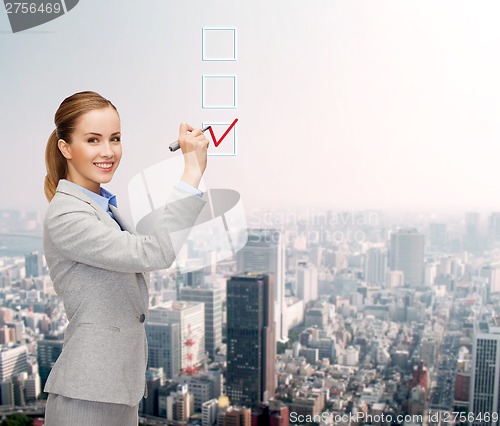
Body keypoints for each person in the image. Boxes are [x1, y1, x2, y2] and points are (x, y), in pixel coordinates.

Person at [42, 91, 209, 425]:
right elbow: (155, 251)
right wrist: (192, 171)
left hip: (118, 391)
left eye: (115, 139)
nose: (108, 151)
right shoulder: (66, 215)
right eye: (93, 140)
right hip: (87, 397)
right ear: (65, 147)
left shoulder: (105, 208)